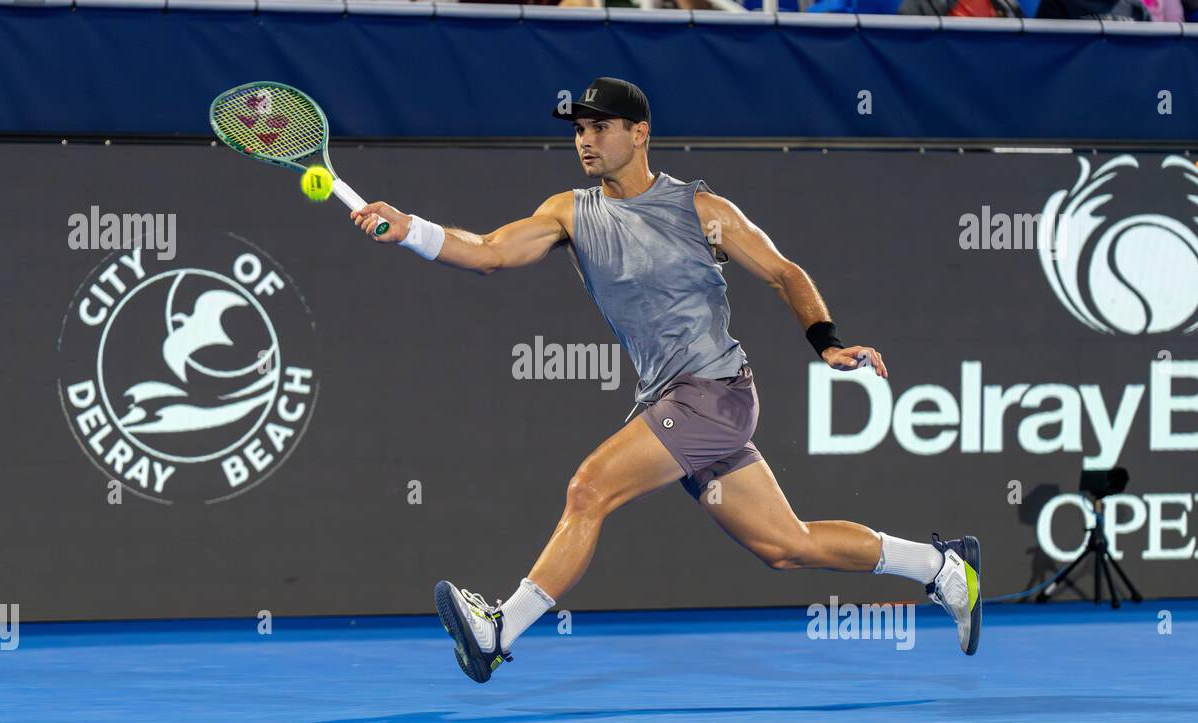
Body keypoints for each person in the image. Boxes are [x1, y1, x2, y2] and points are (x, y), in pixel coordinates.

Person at [349, 78, 982, 684]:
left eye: (600, 127)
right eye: (579, 129)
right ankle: (943, 568)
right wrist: (411, 230)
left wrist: (829, 345)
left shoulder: (701, 209)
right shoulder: (568, 212)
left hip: (715, 394)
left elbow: (786, 274)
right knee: (786, 546)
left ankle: (499, 632)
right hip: (671, 399)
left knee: (588, 490)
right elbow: (488, 250)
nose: (585, 139)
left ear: (640, 132)